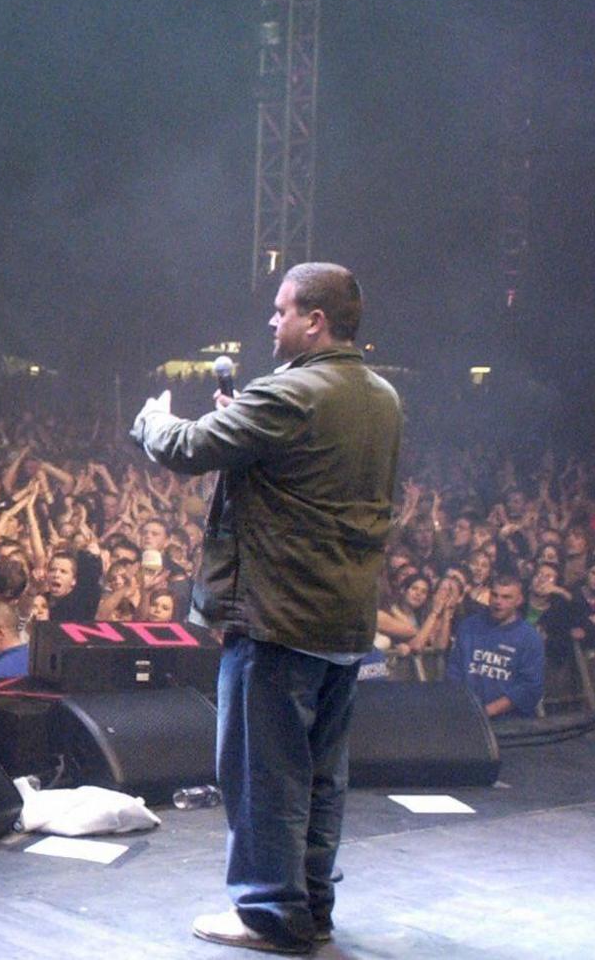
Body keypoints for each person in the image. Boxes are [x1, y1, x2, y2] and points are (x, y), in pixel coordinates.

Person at [131, 263, 402, 954]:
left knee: (264, 773)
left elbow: (189, 447)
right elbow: (312, 477)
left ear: (316, 320)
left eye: (282, 311)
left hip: (279, 613)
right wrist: (246, 427)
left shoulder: (291, 392)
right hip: (343, 616)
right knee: (321, 776)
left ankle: (269, 912)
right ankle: (312, 902)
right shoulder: (382, 397)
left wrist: (153, 418)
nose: (272, 322)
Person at [445, 574, 544, 718]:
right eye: (495, 595)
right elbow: (454, 671)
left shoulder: (529, 637)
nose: (498, 601)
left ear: (519, 600)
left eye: (506, 597)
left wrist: (487, 711)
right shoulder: (469, 626)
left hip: (512, 721)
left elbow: (530, 687)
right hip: (467, 714)